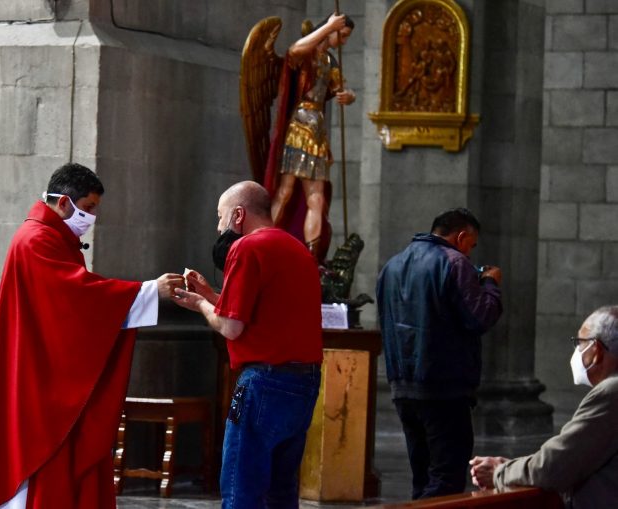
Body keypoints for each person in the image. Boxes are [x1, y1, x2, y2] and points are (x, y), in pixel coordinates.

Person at [0, 163, 184, 509]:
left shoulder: (52, 238)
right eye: (89, 207)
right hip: (36, 383)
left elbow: (73, 308)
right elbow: (77, 299)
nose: (92, 217)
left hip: (42, 370)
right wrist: (148, 291)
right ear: (65, 202)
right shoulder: (36, 240)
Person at [174, 180, 323, 508]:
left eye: (220, 216)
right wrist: (210, 296)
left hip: (264, 382)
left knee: (242, 488)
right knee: (281, 492)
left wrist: (201, 307)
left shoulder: (246, 248)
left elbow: (230, 327)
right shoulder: (296, 248)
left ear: (238, 215)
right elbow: (263, 314)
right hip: (304, 382)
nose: (218, 225)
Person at [376, 207, 503, 499]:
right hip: (444, 389)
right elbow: (480, 316)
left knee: (422, 475)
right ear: (461, 237)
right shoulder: (454, 263)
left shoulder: (392, 266)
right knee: (446, 478)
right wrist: (490, 284)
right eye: (471, 245)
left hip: (402, 386)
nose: (470, 254)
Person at [470, 305, 618, 509]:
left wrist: (499, 472)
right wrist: (514, 467)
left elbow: (552, 466)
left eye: (579, 343)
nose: (576, 351)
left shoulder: (611, 393)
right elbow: (575, 455)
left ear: (596, 351)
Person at [265, 12, 356, 262]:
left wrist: (349, 96)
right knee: (285, 191)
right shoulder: (308, 53)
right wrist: (327, 27)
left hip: (317, 130)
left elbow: (340, 88)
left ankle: (311, 259)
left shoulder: (330, 61)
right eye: (343, 35)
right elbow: (294, 50)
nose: (344, 41)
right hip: (299, 125)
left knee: (316, 199)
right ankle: (263, 243)